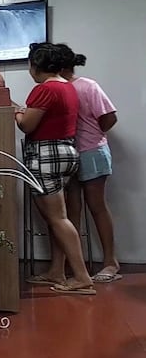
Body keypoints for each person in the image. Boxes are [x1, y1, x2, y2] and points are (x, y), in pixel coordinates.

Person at [16, 42, 95, 295]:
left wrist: (17, 113)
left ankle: (82, 277)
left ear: (34, 66)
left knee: (57, 218)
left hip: (46, 155)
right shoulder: (67, 86)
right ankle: (56, 270)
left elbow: (27, 125)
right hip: (66, 152)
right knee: (57, 218)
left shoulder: (44, 89)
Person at [56, 43, 121, 283]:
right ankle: (77, 267)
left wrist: (92, 136)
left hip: (92, 152)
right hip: (70, 155)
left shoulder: (87, 86)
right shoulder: (57, 88)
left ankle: (111, 263)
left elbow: (110, 117)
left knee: (96, 206)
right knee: (71, 211)